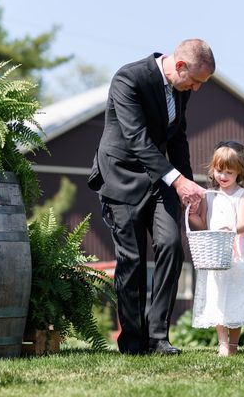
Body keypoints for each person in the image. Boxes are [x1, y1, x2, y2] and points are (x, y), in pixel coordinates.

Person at [88, 38, 215, 355]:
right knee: (131, 260)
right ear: (180, 66)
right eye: (196, 81)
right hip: (122, 177)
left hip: (159, 179)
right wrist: (178, 182)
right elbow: (137, 139)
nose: (197, 89)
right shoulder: (129, 78)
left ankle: (158, 337)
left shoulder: (181, 89)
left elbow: (179, 139)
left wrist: (187, 185)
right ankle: (132, 340)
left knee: (171, 246)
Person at [188, 140, 244, 356]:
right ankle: (222, 343)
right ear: (212, 170)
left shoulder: (241, 195)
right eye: (219, 171)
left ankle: (233, 344)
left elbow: (243, 224)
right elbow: (204, 223)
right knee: (217, 296)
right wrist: (192, 216)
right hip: (216, 252)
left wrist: (230, 228)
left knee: (235, 297)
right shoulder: (209, 195)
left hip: (237, 252)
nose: (223, 176)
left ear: (238, 173)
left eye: (229, 172)